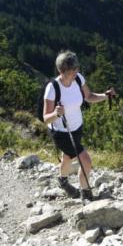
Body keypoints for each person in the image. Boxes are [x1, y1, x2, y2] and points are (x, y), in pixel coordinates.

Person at [43, 51, 115, 200]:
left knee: (68, 157)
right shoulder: (52, 88)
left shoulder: (78, 79)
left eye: (77, 69)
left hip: (76, 128)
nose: (76, 72)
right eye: (72, 70)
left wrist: (105, 95)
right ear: (62, 70)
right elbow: (46, 119)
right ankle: (86, 193)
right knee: (86, 162)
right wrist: (56, 114)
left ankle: (62, 180)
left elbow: (88, 97)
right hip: (61, 132)